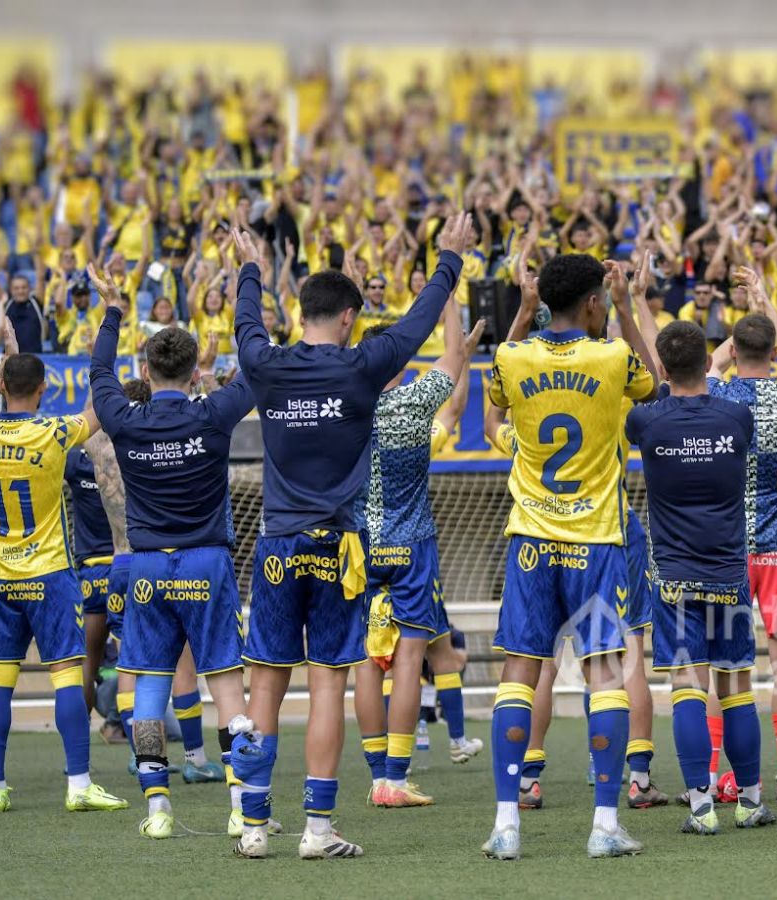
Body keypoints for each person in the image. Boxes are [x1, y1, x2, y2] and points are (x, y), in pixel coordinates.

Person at [229, 216, 471, 860]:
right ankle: (317, 830)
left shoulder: (265, 365)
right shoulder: (364, 367)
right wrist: (449, 260)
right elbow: (420, 325)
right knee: (328, 687)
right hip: (339, 548)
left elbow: (246, 324)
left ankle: (253, 827)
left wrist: (250, 269)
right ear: (347, 317)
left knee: (264, 687)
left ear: (300, 314)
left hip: (277, 544)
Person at [479, 254, 658, 861]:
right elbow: (653, 385)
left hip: (531, 540)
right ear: (592, 303)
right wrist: (628, 306)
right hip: (596, 540)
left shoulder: (513, 357)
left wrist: (522, 312)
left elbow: (494, 408)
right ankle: (604, 825)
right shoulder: (611, 358)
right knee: (605, 675)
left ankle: (506, 825)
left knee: (520, 673)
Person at [86, 261, 259, 841]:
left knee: (150, 688)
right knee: (227, 685)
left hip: (146, 568)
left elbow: (98, 371)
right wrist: (246, 283)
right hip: (207, 562)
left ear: (145, 370)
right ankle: (240, 806)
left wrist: (113, 310)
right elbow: (256, 367)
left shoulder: (123, 420)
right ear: (194, 373)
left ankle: (158, 808)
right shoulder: (214, 412)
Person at [0, 322, 127, 814]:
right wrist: (103, 352)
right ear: (42, 389)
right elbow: (101, 412)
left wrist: (2, 365)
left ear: (3, 386)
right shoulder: (52, 432)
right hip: (50, 572)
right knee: (65, 674)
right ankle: (78, 784)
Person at [626, 319, 775, 835]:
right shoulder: (736, 416)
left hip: (673, 575)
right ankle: (751, 801)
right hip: (729, 572)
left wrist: (629, 309)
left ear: (663, 369)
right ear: (709, 362)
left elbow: (648, 391)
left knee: (687, 688)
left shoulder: (647, 421)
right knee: (736, 689)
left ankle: (701, 809)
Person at [67, 393, 227, 788]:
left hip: (117, 565)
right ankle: (195, 758)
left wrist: (98, 379)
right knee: (183, 663)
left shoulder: (102, 450)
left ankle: (133, 755)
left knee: (128, 663)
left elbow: (90, 420)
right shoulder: (152, 447)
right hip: (154, 558)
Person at [351, 296, 472, 809]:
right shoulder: (413, 404)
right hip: (411, 543)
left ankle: (376, 775)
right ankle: (396, 779)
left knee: (365, 659)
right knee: (408, 658)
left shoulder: (344, 407)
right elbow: (453, 366)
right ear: (397, 362)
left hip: (358, 545)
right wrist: (452, 307)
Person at [706, 266, 777, 802]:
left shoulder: (716, 396)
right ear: (771, 351)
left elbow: (709, 364)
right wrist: (767, 303)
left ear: (735, 349)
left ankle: (713, 774)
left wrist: (737, 335)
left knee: (723, 662)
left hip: (726, 545)